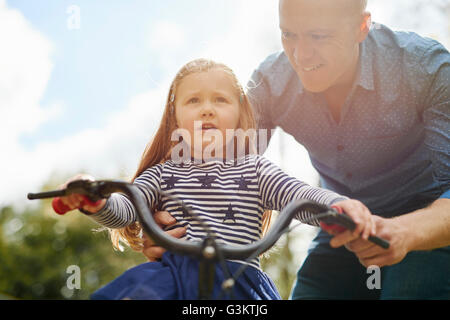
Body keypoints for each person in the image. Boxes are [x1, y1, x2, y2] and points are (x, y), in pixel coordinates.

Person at [145, 0, 450, 299]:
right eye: (289, 34)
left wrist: (404, 233)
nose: (300, 55)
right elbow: (221, 169)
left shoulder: (424, 67)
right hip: (339, 225)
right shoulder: (272, 82)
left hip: (424, 221)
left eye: (319, 36)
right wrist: (167, 225)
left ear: (361, 26)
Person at [58, 58, 377, 300]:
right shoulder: (164, 173)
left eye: (220, 100)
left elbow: (299, 195)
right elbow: (126, 207)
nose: (207, 110)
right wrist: (93, 196)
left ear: (240, 113)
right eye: (193, 101)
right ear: (176, 117)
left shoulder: (255, 169)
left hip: (242, 281)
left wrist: (339, 205)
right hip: (171, 278)